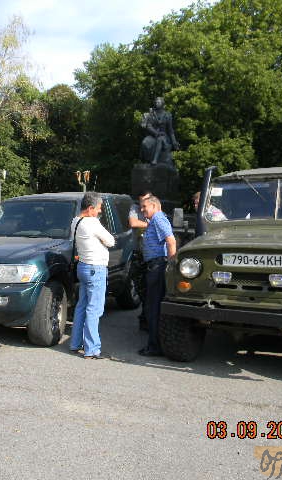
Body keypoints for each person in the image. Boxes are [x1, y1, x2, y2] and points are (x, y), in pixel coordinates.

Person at [69, 192, 115, 359]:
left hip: (83, 267)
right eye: (98, 208)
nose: (100, 211)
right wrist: (101, 241)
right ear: (89, 208)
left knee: (82, 306)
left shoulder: (75, 221)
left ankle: (75, 343)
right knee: (94, 309)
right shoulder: (92, 222)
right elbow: (111, 241)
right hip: (96, 269)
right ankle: (92, 349)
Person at [138, 195, 176, 356]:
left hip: (158, 266)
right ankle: (156, 344)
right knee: (152, 306)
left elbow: (171, 241)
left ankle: (155, 347)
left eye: (144, 206)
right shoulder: (154, 220)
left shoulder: (159, 219)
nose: (142, 209)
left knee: (152, 307)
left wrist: (171, 265)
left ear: (154, 206)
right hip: (155, 265)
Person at [128, 191, 152, 331]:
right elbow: (133, 222)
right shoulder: (135, 208)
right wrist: (149, 225)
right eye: (141, 201)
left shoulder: (156, 211)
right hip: (139, 254)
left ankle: (147, 318)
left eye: (145, 201)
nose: (142, 205)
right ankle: (145, 316)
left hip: (152, 256)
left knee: (150, 289)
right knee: (140, 287)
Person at [140, 96, 180, 167]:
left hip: (164, 136)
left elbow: (170, 130)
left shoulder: (167, 115)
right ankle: (145, 160)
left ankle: (155, 160)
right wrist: (156, 133)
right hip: (153, 135)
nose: (156, 103)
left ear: (162, 104)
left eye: (158, 102)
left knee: (160, 139)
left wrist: (174, 142)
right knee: (145, 142)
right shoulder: (151, 114)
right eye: (156, 102)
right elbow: (149, 126)